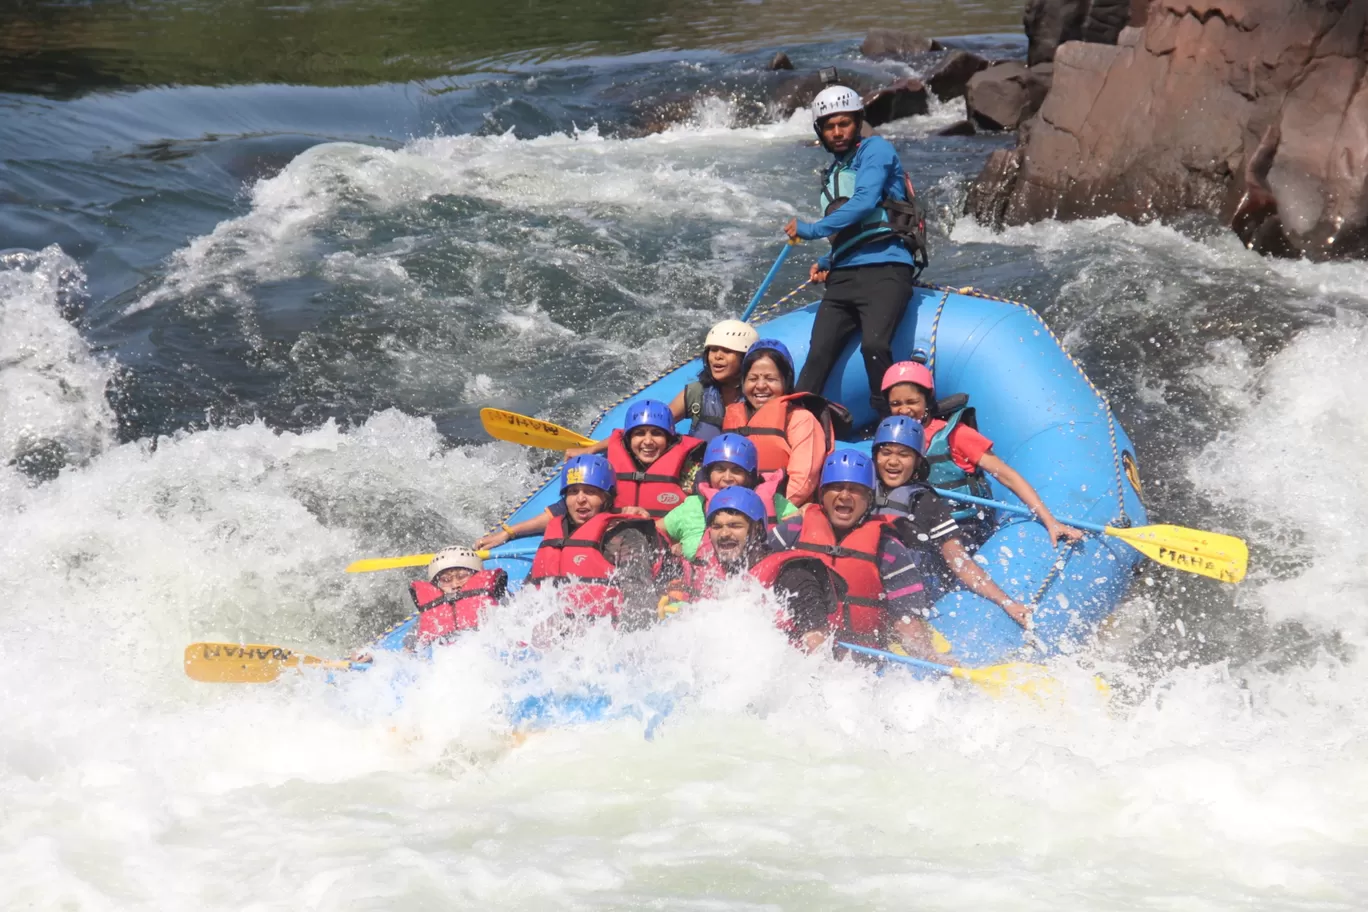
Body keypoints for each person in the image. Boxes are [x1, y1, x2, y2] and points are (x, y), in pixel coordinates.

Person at [782, 85, 928, 417]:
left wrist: (812, 229)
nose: (837, 132)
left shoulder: (876, 150)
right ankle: (798, 426)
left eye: (844, 123)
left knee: (874, 346)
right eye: (829, 126)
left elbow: (864, 203)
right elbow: (851, 233)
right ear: (820, 131)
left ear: (858, 121)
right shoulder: (832, 172)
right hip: (844, 275)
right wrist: (826, 259)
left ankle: (891, 423)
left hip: (887, 268)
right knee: (818, 354)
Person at [761, 449, 944, 659]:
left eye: (855, 490)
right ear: (822, 495)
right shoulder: (794, 531)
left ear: (869, 499)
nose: (845, 496)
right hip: (793, 651)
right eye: (837, 488)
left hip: (858, 664)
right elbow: (756, 579)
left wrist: (929, 656)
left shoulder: (888, 547)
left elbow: (907, 620)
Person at [881, 360, 1083, 547]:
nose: (904, 410)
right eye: (895, 404)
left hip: (964, 527)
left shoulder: (957, 435)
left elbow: (1008, 476)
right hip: (922, 525)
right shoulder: (890, 441)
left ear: (927, 400)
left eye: (912, 401)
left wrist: (1050, 521)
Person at [476, 398, 702, 550]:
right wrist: (509, 533)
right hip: (614, 549)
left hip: (665, 548)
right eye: (639, 434)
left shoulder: (688, 470)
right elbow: (566, 509)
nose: (648, 441)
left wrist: (684, 544)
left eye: (657, 434)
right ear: (628, 439)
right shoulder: (610, 470)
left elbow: (704, 513)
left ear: (670, 439)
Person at [870, 416, 1032, 627]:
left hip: (912, 595)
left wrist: (1006, 602)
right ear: (875, 456)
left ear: (918, 460)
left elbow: (959, 560)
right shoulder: (862, 493)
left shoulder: (926, 503)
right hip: (872, 590)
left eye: (904, 454)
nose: (893, 461)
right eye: (886, 453)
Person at [526, 454, 674, 636]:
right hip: (567, 631)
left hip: (607, 635)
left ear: (606, 497)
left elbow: (639, 601)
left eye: (590, 492)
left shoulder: (625, 537)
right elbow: (530, 592)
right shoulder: (556, 533)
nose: (580, 499)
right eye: (573, 492)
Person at [721, 338, 845, 507]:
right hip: (733, 509)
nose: (761, 386)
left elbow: (803, 482)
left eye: (770, 379)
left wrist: (761, 510)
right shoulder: (733, 415)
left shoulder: (800, 419)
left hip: (781, 510)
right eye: (753, 378)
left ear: (786, 382)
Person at [660, 432, 797, 560]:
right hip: (703, 581)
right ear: (708, 474)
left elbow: (803, 527)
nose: (727, 478)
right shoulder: (693, 506)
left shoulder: (775, 502)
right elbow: (655, 532)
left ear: (750, 476)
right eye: (719, 469)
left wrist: (806, 511)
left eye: (736, 470)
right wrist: (670, 549)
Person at [666, 319, 759, 441]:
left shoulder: (759, 396)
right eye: (713, 350)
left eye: (727, 351)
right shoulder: (696, 393)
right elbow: (656, 424)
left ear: (745, 357)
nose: (717, 356)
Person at [409, 547, 508, 648]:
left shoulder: (497, 601)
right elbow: (408, 650)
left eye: (462, 576)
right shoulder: (430, 613)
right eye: (446, 579)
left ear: (476, 575)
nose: (455, 584)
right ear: (436, 585)